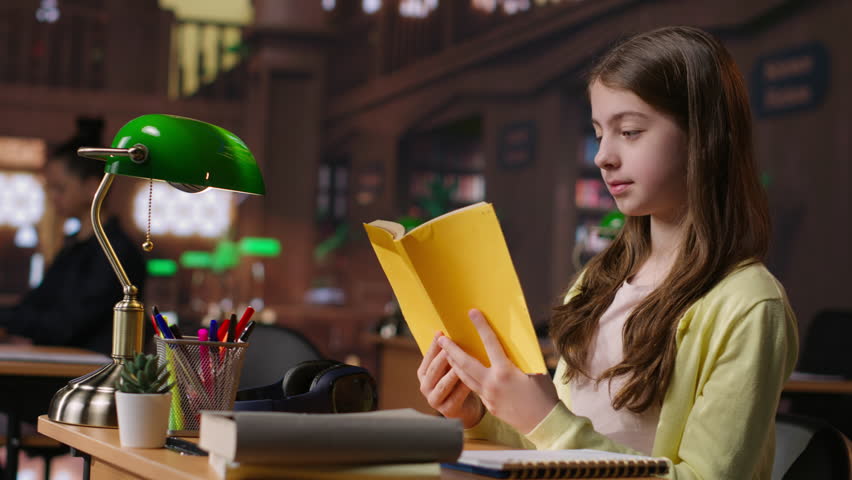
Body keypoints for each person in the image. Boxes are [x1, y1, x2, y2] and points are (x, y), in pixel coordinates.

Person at [417, 26, 798, 479]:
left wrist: (544, 418)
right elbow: (550, 444)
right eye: (599, 133)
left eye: (630, 131)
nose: (603, 156)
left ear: (704, 137)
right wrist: (476, 415)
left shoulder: (750, 304)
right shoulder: (601, 280)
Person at [0, 118, 146, 355]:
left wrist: (9, 322)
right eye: (50, 189)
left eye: (60, 188)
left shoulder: (115, 251)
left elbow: (65, 326)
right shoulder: (75, 246)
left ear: (92, 187)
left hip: (89, 372)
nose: (53, 198)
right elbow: (35, 304)